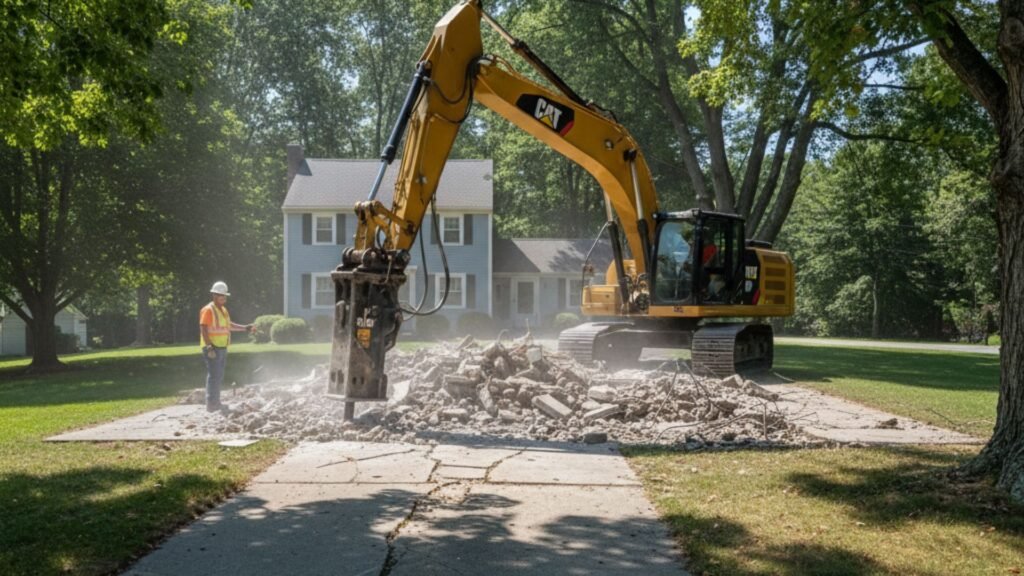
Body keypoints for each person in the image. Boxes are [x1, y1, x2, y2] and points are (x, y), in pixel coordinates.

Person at [200, 282, 255, 411]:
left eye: (225, 296)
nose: (223, 298)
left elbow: (228, 325)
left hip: (222, 347)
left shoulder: (223, 310)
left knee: (218, 375)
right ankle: (211, 403)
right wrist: (209, 347)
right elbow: (203, 328)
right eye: (221, 296)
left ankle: (216, 402)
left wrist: (245, 328)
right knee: (214, 375)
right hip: (212, 348)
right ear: (214, 295)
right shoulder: (208, 309)